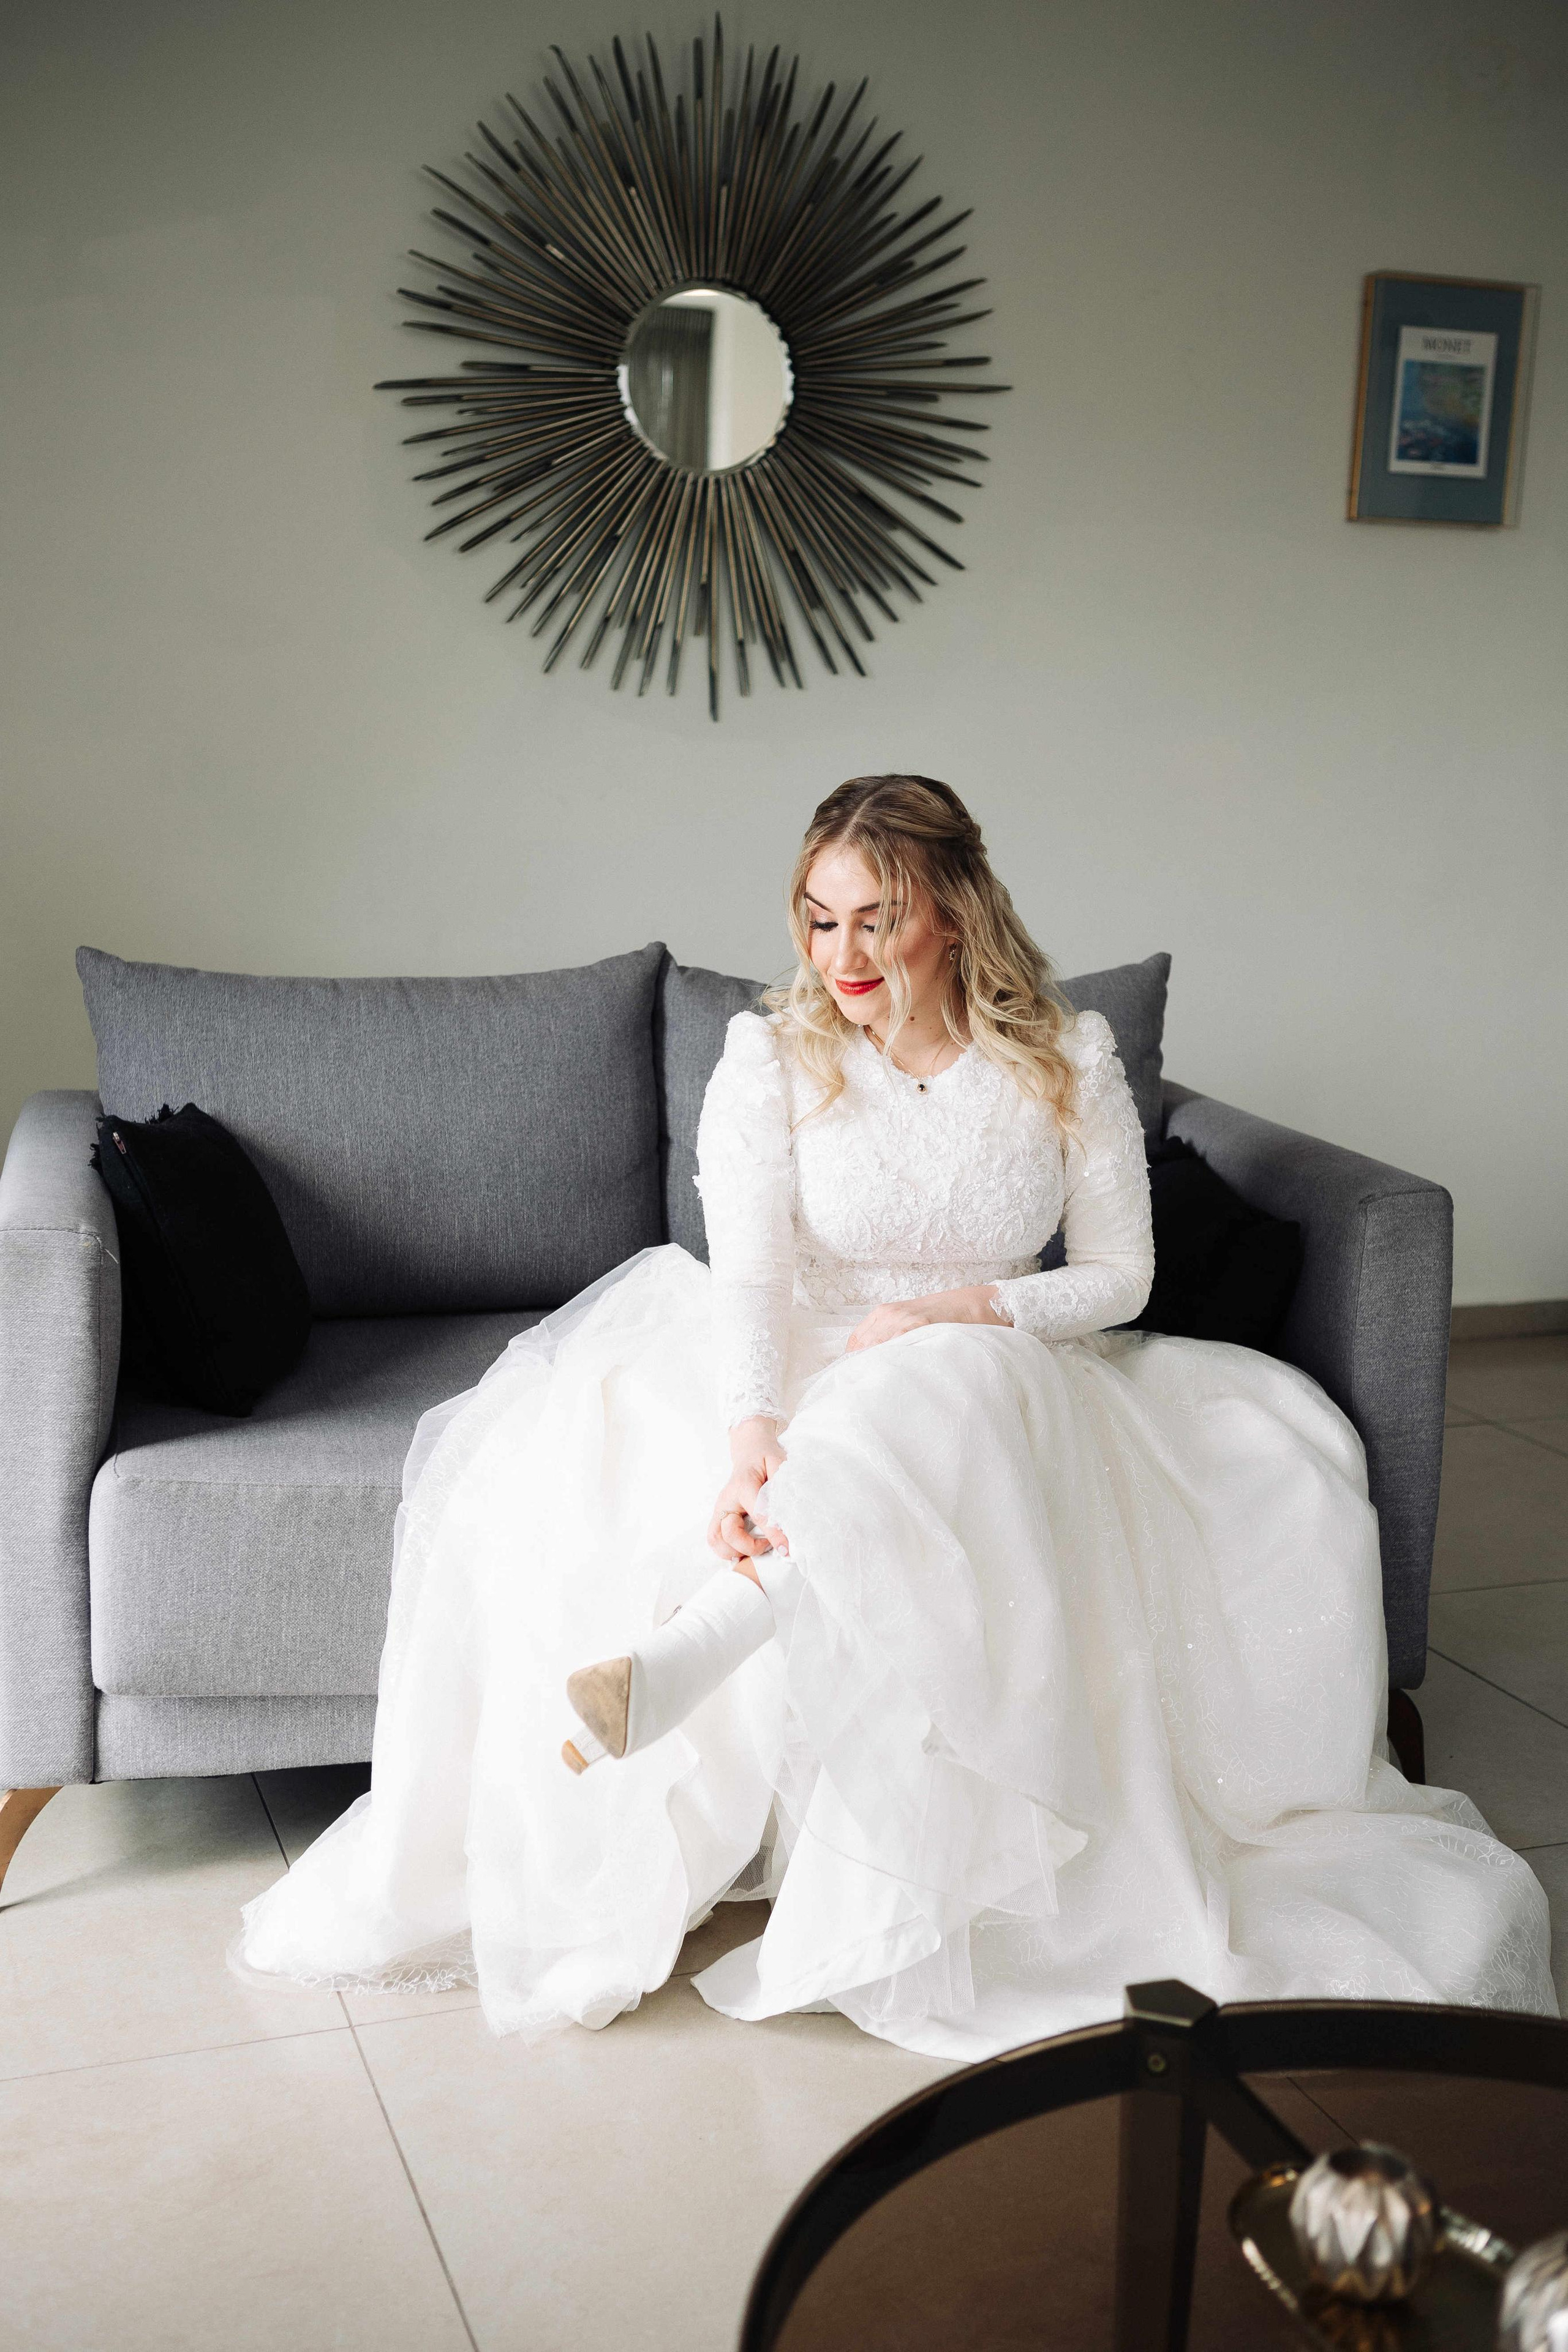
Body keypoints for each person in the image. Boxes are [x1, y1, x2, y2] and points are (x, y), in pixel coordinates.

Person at [235, 775, 1554, 2058]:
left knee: (972, 1388)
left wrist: (960, 1312)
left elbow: (1117, 1280)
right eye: (818, 915)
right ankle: (719, 1627)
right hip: (803, 1352)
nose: (841, 950)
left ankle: (703, 1644)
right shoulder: (768, 1056)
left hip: (1005, 1365)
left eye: (874, 916)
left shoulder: (1064, 1056)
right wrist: (751, 1431)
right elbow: (747, 1272)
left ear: (953, 912)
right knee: (757, 1427)